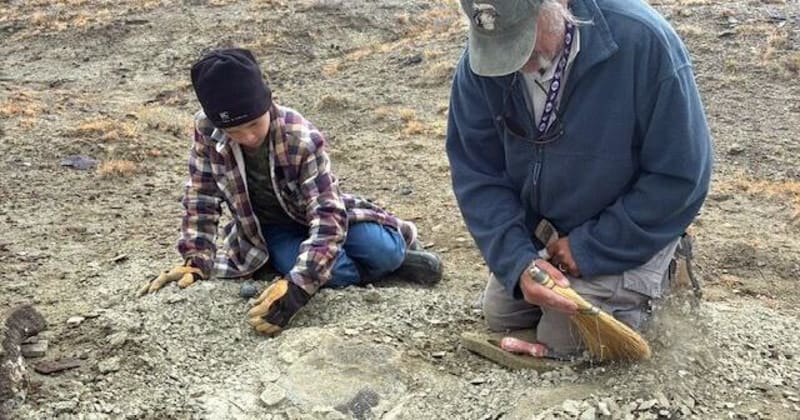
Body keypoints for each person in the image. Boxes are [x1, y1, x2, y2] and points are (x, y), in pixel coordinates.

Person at [447, 0, 712, 358]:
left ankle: (665, 268)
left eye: (521, 40)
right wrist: (518, 260)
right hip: (547, 234)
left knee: (565, 337)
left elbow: (682, 177)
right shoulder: (482, 63)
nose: (513, 62)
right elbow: (478, 173)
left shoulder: (643, 41)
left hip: (626, 228)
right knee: (501, 315)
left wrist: (591, 246)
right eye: (499, 44)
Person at [141, 48, 442, 336]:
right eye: (234, 132)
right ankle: (384, 271)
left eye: (254, 124)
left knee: (384, 251)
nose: (248, 137)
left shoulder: (300, 135)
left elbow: (327, 213)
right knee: (329, 271)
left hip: (315, 214)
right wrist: (196, 259)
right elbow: (201, 197)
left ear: (268, 103)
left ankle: (393, 261)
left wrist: (297, 289)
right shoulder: (206, 131)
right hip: (269, 229)